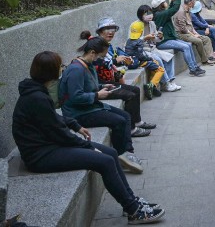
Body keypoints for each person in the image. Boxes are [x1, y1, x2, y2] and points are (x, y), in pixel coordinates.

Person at [12, 51, 165, 224]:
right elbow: (59, 133)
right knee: (104, 161)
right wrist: (87, 146)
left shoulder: (36, 91)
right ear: (51, 71)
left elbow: (52, 118)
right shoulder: (36, 97)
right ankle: (134, 211)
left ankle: (132, 201)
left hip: (49, 145)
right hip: (40, 155)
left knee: (111, 153)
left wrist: (74, 124)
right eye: (59, 66)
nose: (62, 69)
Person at [58, 35, 143, 173]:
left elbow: (88, 86)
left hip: (91, 106)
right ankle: (122, 155)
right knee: (119, 121)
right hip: (78, 113)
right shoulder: (76, 69)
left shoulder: (87, 65)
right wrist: (97, 95)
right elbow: (75, 97)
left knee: (125, 116)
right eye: (100, 56)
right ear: (92, 53)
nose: (100, 60)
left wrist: (102, 86)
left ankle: (128, 154)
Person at [90, 25, 156, 139]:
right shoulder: (96, 46)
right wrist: (116, 61)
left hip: (107, 81)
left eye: (113, 30)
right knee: (129, 95)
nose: (111, 32)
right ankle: (131, 129)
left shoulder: (107, 46)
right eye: (107, 30)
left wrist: (122, 63)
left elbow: (110, 66)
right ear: (100, 32)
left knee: (135, 89)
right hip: (101, 85)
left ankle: (137, 122)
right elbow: (100, 65)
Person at [129, 5, 183, 92]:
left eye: (150, 13)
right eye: (146, 14)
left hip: (153, 49)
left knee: (169, 57)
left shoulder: (152, 24)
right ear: (140, 15)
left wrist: (160, 37)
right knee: (158, 60)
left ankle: (171, 81)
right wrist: (145, 38)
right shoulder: (135, 25)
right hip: (142, 51)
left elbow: (156, 40)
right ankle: (165, 83)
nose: (149, 16)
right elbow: (132, 42)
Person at [152, 0, 206, 77]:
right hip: (163, 41)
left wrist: (173, 1)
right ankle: (192, 69)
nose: (165, 2)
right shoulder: (160, 15)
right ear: (160, 5)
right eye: (163, 2)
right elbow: (174, 9)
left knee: (188, 45)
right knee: (185, 47)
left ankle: (195, 67)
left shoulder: (161, 13)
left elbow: (170, 9)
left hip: (169, 38)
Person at [173, 0, 215, 66]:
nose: (195, 3)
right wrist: (194, 35)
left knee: (206, 39)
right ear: (190, 3)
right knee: (199, 41)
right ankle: (204, 60)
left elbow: (191, 26)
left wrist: (196, 33)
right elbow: (183, 28)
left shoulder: (189, 12)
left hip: (189, 32)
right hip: (182, 34)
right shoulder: (181, 12)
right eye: (194, 1)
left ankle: (210, 57)